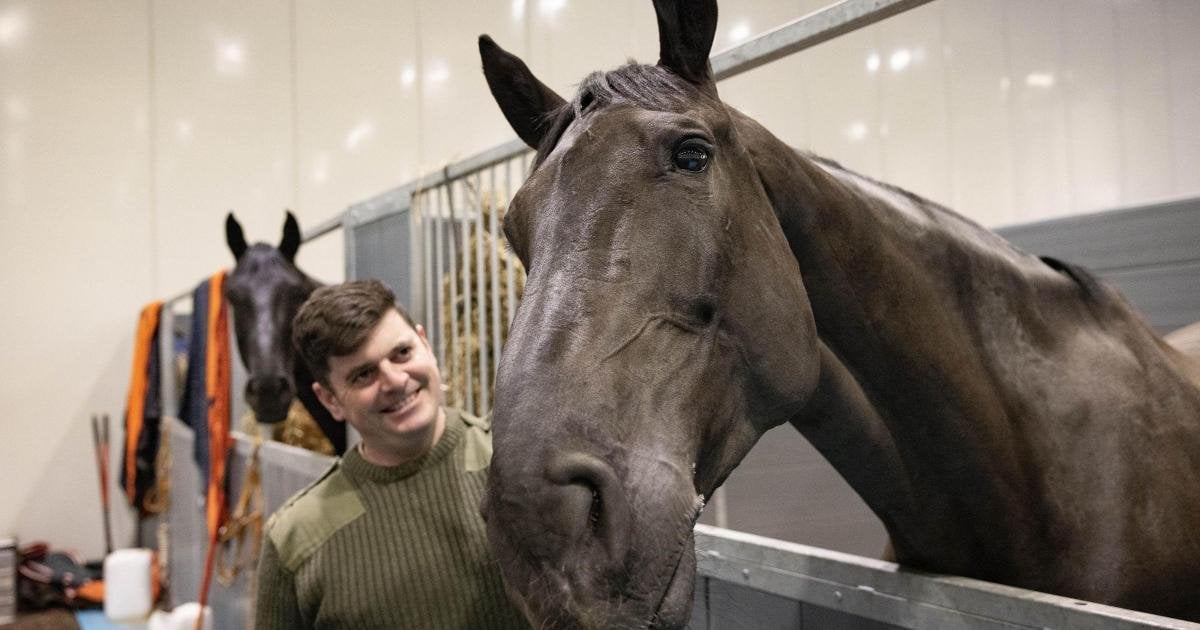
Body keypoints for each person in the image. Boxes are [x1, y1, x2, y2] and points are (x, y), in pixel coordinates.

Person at [254, 279, 527, 629]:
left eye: (402, 353)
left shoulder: (518, 460)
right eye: (364, 374)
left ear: (425, 343)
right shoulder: (297, 539)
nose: (395, 381)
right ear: (330, 400)